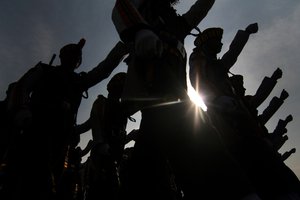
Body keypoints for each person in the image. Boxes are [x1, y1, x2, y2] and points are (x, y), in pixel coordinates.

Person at [5, 39, 128, 200]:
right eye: (71, 54)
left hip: (61, 143)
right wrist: (22, 112)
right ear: (62, 56)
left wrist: (121, 49)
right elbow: (21, 88)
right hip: (35, 133)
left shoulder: (79, 81)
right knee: (26, 184)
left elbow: (102, 71)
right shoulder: (44, 70)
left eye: (77, 57)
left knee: (51, 186)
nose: (74, 59)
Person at [76, 72, 130, 200]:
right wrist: (100, 144)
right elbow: (95, 124)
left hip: (114, 159)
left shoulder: (123, 110)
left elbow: (120, 135)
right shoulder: (101, 102)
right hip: (100, 159)